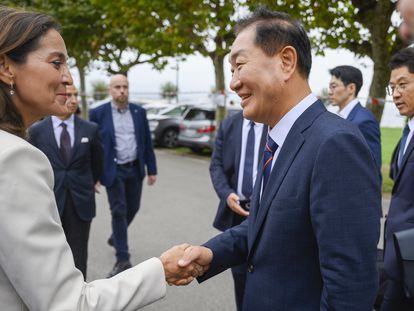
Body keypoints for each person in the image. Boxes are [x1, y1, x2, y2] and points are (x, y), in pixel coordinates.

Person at [176, 7, 381, 310]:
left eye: (240, 65)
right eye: (231, 71)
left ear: (286, 62)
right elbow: (267, 226)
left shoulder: (335, 144)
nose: (233, 83)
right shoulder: (277, 139)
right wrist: (211, 254)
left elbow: (350, 286)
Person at [0, 7, 202, 310]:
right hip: (111, 177)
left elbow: (140, 142)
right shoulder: (15, 158)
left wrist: (149, 168)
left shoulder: (137, 112)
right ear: (6, 66)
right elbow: (67, 303)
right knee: (120, 215)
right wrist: (161, 269)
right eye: (57, 63)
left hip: (130, 172)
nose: (67, 78)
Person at [28, 84, 103, 279]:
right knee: (51, 255)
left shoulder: (91, 129)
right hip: (50, 202)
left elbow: (97, 163)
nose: (73, 99)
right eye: (68, 95)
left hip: (81, 202)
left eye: (76, 95)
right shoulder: (37, 131)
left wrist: (87, 183)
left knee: (78, 255)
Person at [89, 74, 157, 277]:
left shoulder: (139, 112)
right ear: (110, 90)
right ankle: (122, 258)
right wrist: (95, 175)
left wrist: (152, 169)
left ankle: (116, 236)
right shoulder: (97, 113)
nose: (122, 91)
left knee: (133, 207)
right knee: (119, 211)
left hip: (135, 168)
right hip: (113, 170)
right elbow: (94, 148)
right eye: (117, 87)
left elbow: (146, 141)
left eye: (125, 87)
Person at [209, 110, 266, 310]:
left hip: (266, 212)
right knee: (240, 276)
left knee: (264, 275)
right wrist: (226, 194)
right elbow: (215, 165)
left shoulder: (273, 123)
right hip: (235, 211)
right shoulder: (229, 125)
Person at [381, 47, 414, 311]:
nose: (396, 94)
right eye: (392, 87)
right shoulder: (407, 133)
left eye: (403, 84)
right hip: (398, 259)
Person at [328, 65, 382, 176]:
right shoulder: (339, 117)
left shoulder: (364, 121)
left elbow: (373, 167)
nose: (330, 92)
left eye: (334, 86)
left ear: (351, 88)